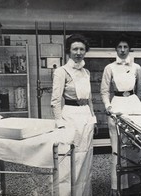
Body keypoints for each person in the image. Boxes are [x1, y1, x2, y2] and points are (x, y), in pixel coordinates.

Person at [51, 34, 96, 196]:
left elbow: (90, 98)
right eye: (75, 49)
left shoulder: (86, 72)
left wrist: (93, 120)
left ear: (86, 51)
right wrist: (60, 123)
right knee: (69, 158)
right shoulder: (61, 72)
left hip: (85, 117)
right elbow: (55, 101)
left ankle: (83, 193)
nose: (78, 52)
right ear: (69, 51)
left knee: (85, 157)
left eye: (82, 49)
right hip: (69, 117)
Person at [100, 34, 141, 195]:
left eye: (125, 47)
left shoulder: (136, 67)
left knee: (135, 147)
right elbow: (104, 91)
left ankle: (134, 184)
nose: (123, 50)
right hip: (116, 106)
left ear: (129, 48)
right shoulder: (109, 68)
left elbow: (140, 90)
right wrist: (108, 106)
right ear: (116, 49)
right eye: (120, 47)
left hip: (133, 106)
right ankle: (116, 186)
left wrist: (135, 104)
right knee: (117, 147)